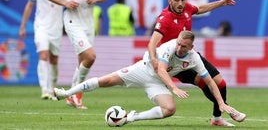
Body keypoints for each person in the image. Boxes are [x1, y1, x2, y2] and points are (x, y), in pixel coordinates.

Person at [54, 30, 245, 126]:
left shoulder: (194, 58)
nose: (179, 48)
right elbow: (161, 69)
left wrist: (220, 103)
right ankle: (66, 93)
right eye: (179, 43)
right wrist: (174, 88)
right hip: (144, 70)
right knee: (107, 81)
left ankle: (131, 118)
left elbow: (210, 81)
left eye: (184, 46)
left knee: (170, 109)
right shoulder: (169, 46)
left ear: (191, 47)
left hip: (157, 83)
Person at [147, 0, 244, 126]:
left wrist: (221, 3)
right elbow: (152, 42)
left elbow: (200, 9)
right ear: (169, 1)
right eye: (176, 0)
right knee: (203, 82)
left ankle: (217, 119)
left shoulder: (187, 8)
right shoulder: (165, 18)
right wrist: (154, 60)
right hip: (175, 62)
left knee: (221, 83)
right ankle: (228, 110)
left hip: (190, 56)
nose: (180, 3)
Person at [46, 0, 107, 109]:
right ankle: (76, 94)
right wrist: (65, 2)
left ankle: (71, 96)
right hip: (72, 21)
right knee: (90, 56)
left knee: (82, 60)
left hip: (88, 22)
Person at [19, 0, 62, 100]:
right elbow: (29, 5)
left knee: (54, 60)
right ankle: (44, 89)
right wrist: (23, 26)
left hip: (56, 28)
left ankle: (53, 88)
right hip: (41, 26)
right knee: (43, 56)